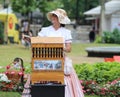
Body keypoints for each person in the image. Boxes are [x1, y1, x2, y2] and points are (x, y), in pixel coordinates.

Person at [38, 8, 84, 97]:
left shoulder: (66, 32)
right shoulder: (45, 30)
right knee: (43, 78)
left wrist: (61, 46)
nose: (53, 17)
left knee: (61, 80)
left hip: (60, 59)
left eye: (55, 16)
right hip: (45, 59)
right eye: (53, 15)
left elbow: (69, 49)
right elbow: (37, 42)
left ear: (60, 19)